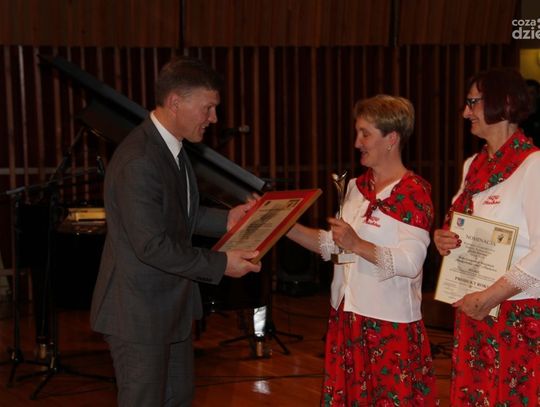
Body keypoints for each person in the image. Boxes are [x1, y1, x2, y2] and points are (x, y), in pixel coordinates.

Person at [90, 56, 261, 407]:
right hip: (138, 315)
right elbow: (152, 245)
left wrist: (227, 220)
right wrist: (221, 263)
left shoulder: (172, 147)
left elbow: (177, 215)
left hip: (168, 308)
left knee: (178, 399)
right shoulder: (140, 159)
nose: (214, 118)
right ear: (175, 102)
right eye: (208, 108)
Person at [287, 95, 438, 406]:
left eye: (365, 134)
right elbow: (334, 246)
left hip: (389, 326)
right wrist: (284, 226)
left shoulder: (413, 193)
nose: (357, 142)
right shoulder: (356, 188)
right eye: (358, 132)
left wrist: (357, 243)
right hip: (348, 318)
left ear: (391, 139)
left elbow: (411, 263)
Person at [433, 68, 540, 406]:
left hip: (516, 314)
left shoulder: (534, 166)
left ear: (505, 103)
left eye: (473, 102)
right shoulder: (473, 166)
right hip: (475, 306)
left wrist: (491, 296)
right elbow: (458, 227)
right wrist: (444, 239)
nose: (466, 112)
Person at [521, 78, 540, 146]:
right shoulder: (518, 115)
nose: (528, 97)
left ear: (537, 95)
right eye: (526, 93)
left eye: (531, 93)